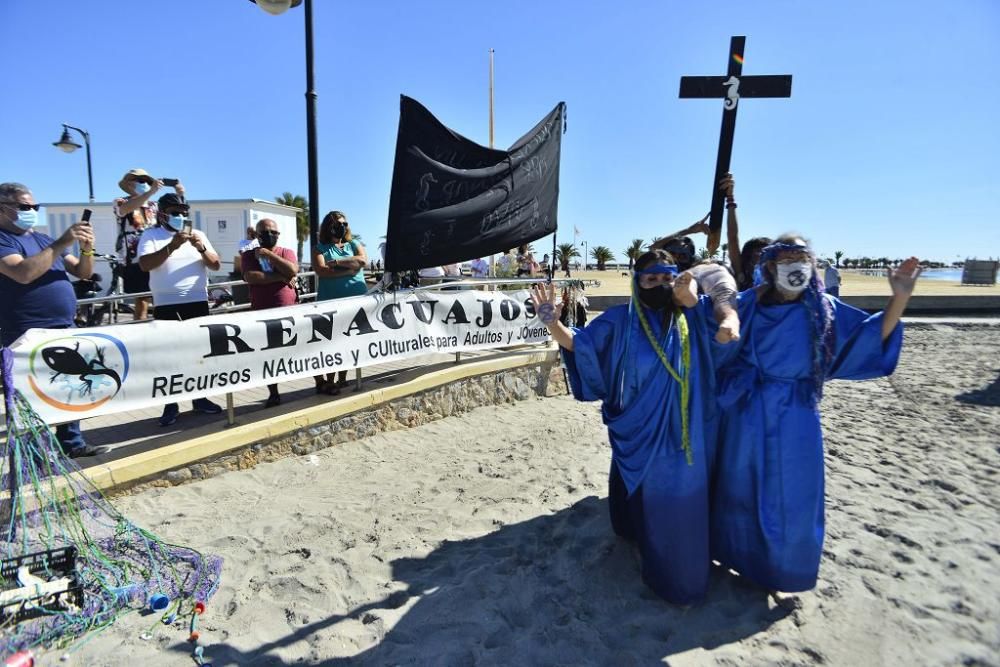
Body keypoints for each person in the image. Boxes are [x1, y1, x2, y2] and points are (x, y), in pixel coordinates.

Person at [710, 235, 920, 601]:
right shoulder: (749, 304)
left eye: (803, 258)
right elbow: (710, 331)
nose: (796, 266)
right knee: (740, 486)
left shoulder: (824, 310)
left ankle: (783, 568)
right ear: (771, 266)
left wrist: (899, 297)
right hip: (746, 411)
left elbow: (868, 336)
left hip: (797, 414)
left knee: (792, 495)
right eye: (788, 257)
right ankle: (737, 556)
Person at [531, 249, 740, 605]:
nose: (659, 285)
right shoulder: (618, 321)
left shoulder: (693, 315)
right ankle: (654, 562)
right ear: (636, 282)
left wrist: (709, 313)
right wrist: (552, 323)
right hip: (639, 430)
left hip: (686, 434)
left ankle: (681, 579)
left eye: (666, 278)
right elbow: (581, 345)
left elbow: (724, 317)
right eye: (650, 279)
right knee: (650, 506)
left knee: (681, 510)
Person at [0, 182, 105, 457]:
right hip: (24, 329)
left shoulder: (44, 240)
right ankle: (37, 454)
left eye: (35, 207)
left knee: (68, 386)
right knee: (33, 394)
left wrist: (86, 248)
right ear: (3, 208)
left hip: (64, 327)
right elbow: (22, 273)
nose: (32, 211)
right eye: (25, 207)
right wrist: (62, 242)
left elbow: (83, 272)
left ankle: (73, 443)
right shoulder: (3, 239)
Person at [138, 192, 224, 426]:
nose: (181, 217)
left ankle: (200, 398)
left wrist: (202, 248)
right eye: (175, 213)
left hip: (196, 302)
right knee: (169, 358)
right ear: (163, 214)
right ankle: (171, 404)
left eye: (184, 213)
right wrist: (172, 246)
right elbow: (145, 264)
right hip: (166, 305)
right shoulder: (151, 235)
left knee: (198, 354)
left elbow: (216, 264)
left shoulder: (199, 234)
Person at [242, 218, 298, 408]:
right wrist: (281, 277)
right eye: (264, 232)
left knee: (302, 349)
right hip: (262, 313)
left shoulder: (286, 252)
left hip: (289, 311)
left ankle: (319, 382)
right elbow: (251, 276)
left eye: (273, 232)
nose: (269, 235)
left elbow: (292, 269)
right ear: (257, 235)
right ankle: (273, 393)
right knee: (269, 357)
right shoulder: (249, 255)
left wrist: (269, 255)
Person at [313, 210, 367, 395]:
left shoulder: (353, 243)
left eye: (344, 224)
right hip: (330, 304)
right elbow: (322, 270)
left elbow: (362, 261)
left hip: (355, 303)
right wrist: (348, 269)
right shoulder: (320, 248)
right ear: (328, 227)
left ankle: (342, 378)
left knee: (348, 342)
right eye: (337, 224)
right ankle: (328, 380)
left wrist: (336, 262)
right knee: (330, 344)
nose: (341, 227)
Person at [114, 169, 173, 321]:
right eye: (140, 181)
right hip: (135, 260)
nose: (145, 184)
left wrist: (179, 194)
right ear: (129, 184)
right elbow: (125, 210)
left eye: (147, 181)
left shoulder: (154, 205)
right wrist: (150, 192)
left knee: (163, 299)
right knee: (142, 302)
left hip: (156, 255)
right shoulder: (121, 201)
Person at [717, 173, 772, 291]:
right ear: (749, 256)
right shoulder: (742, 274)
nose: (765, 255)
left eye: (769, 251)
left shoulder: (778, 280)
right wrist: (730, 198)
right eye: (760, 251)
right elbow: (732, 237)